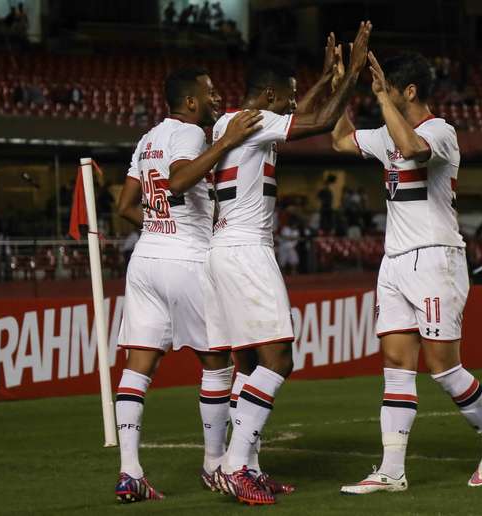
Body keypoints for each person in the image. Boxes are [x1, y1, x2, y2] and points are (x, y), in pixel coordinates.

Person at [205, 24, 372, 505]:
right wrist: (353, 73)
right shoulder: (255, 121)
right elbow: (318, 123)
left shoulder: (233, 123)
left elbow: (303, 108)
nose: (294, 105)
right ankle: (236, 465)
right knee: (280, 358)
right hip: (246, 249)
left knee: (249, 363)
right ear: (270, 95)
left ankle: (248, 467)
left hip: (226, 249)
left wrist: (322, 80)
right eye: (290, 97)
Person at [331, 51, 482, 493]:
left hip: (436, 258)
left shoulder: (439, 131)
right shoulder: (384, 134)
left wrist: (380, 100)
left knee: (444, 368)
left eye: (387, 87)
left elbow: (412, 149)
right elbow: (340, 140)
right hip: (393, 262)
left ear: (408, 91)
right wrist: (341, 89)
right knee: (395, 364)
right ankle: (392, 471)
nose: (381, 96)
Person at [113, 68, 263, 503]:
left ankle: (129, 472)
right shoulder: (192, 134)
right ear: (191, 102)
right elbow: (179, 179)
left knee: (137, 367)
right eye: (210, 92)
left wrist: (161, 225)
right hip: (187, 258)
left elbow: (124, 205)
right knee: (218, 363)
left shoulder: (147, 139)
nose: (216, 97)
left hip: (145, 259)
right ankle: (215, 464)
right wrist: (225, 141)